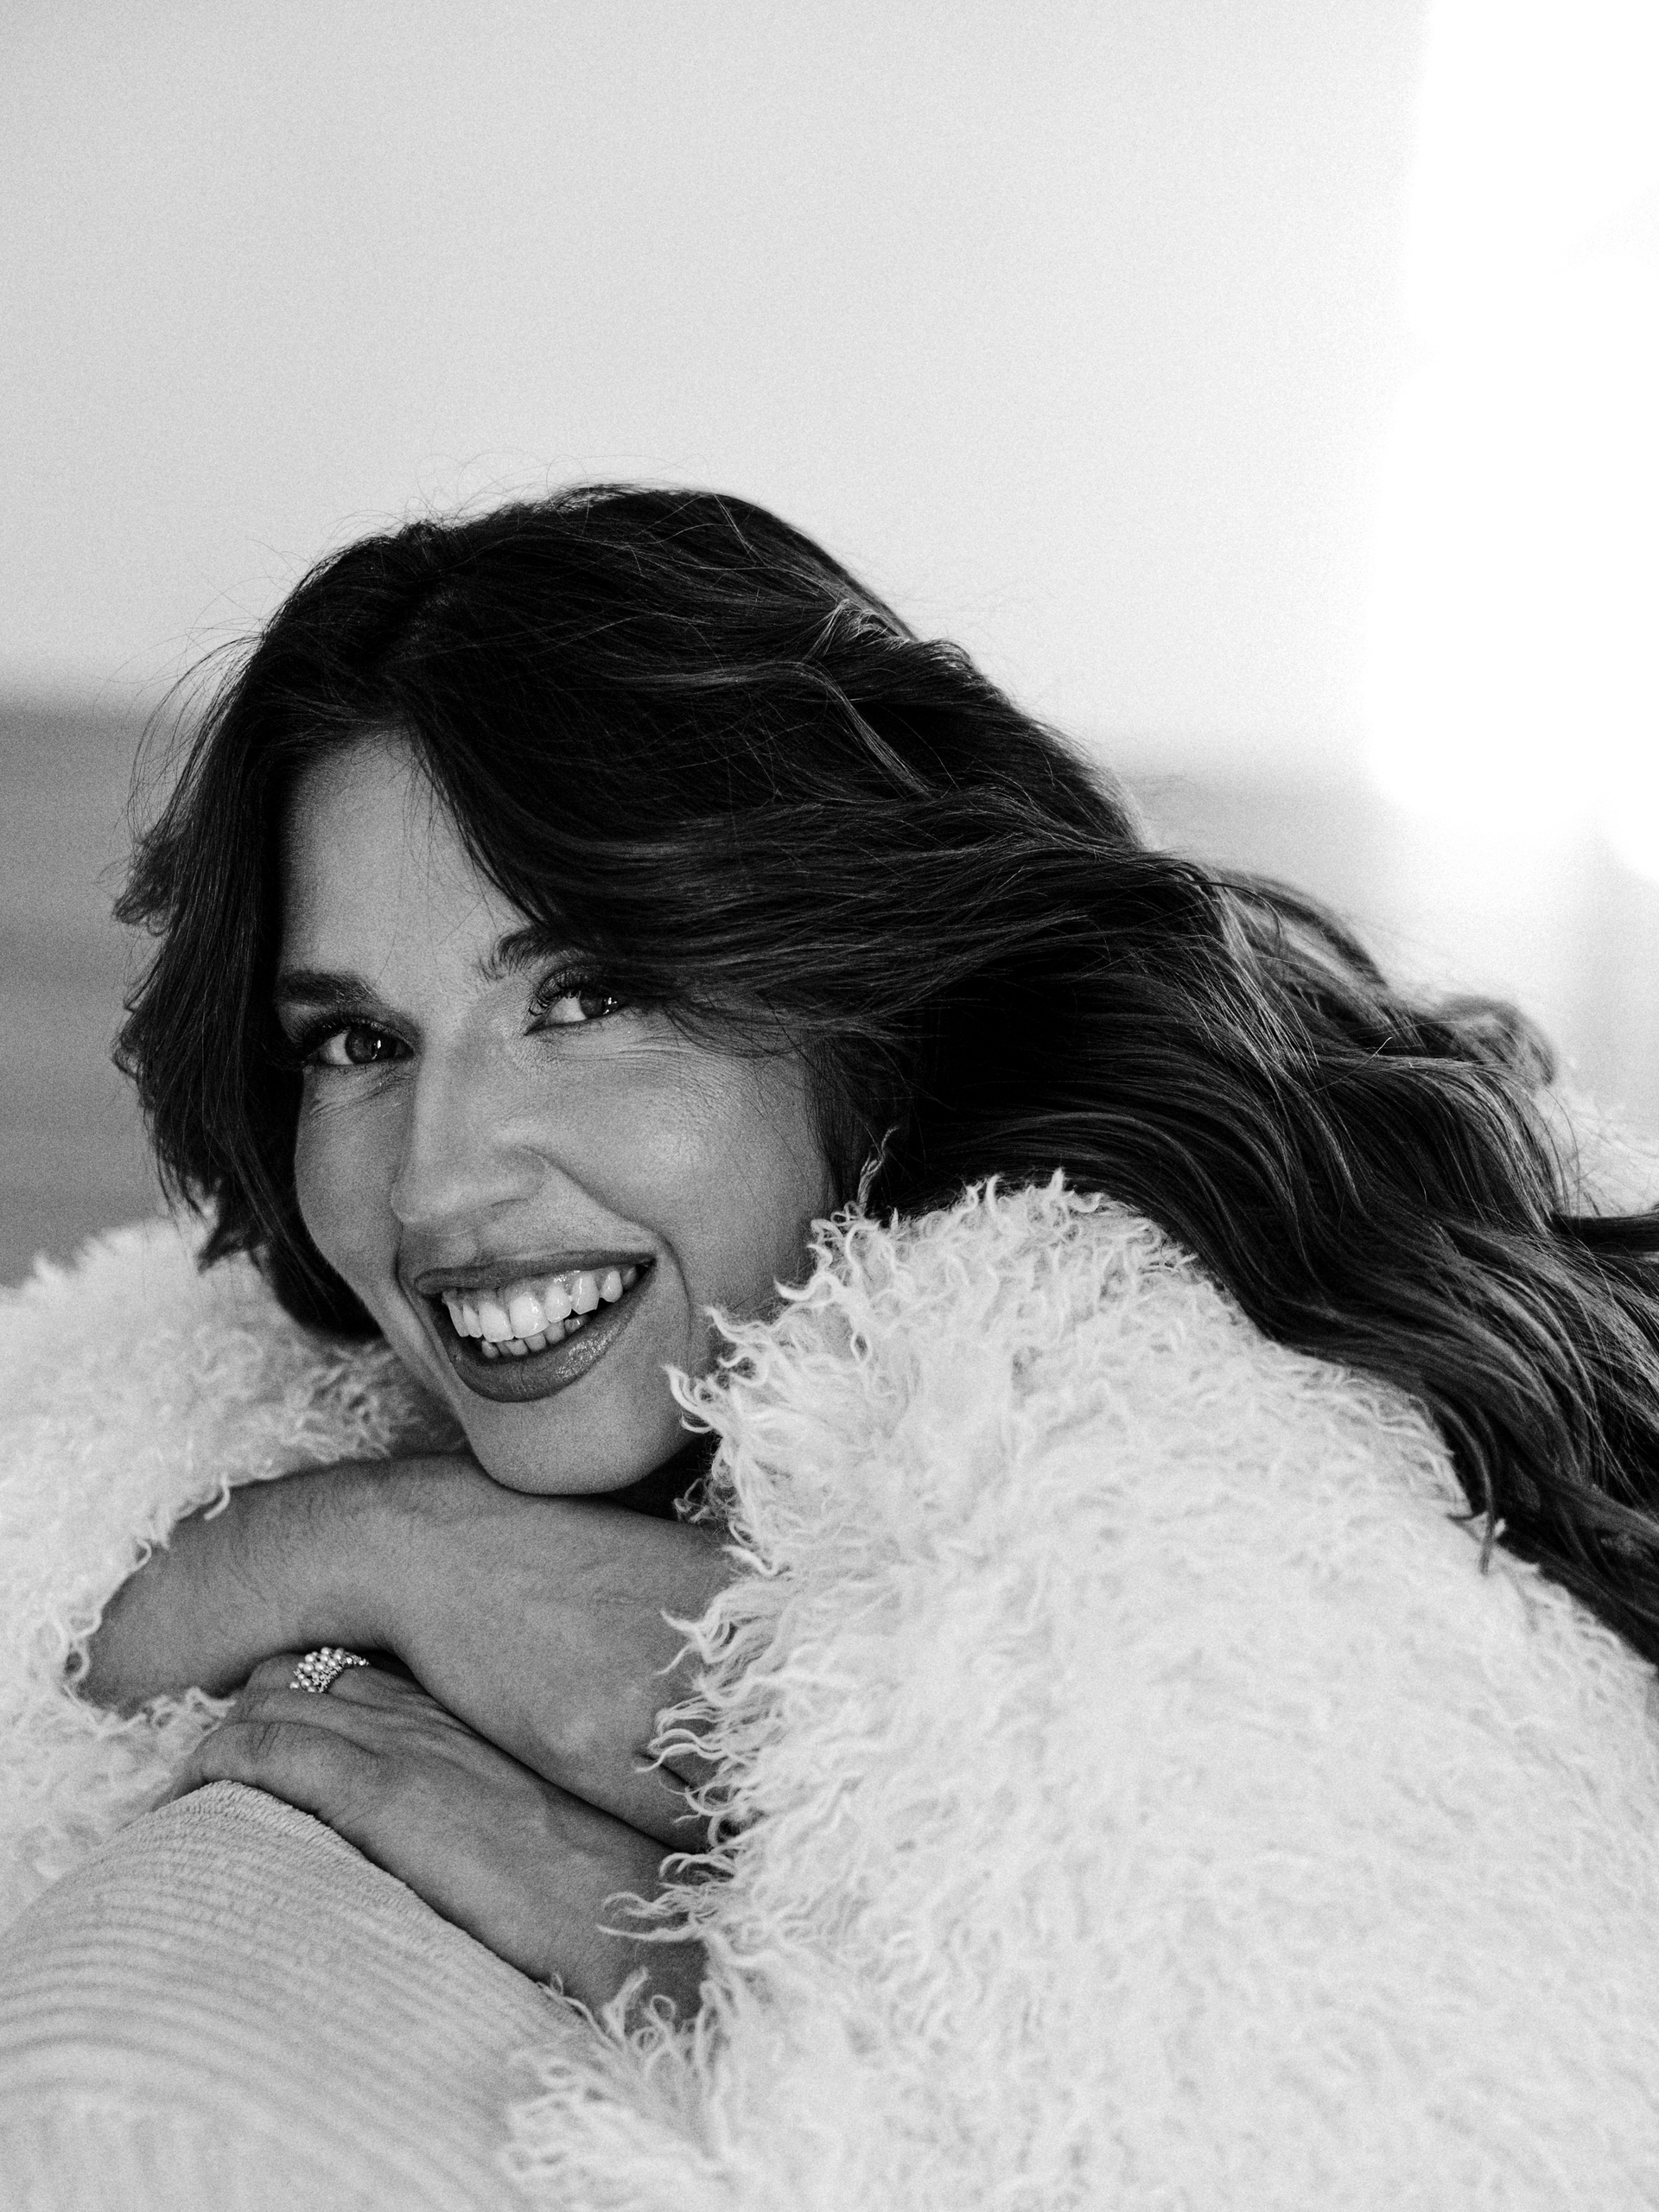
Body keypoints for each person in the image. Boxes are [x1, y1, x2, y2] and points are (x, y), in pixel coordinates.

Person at [60, 480, 1659, 2030]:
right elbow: (54, 1618)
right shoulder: (741, 1374)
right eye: (356, 1041)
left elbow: (1271, 2078)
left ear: (855, 992)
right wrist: (374, 1540)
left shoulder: (1126, 1345)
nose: (437, 1181)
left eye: (588, 995)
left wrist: (634, 1935)